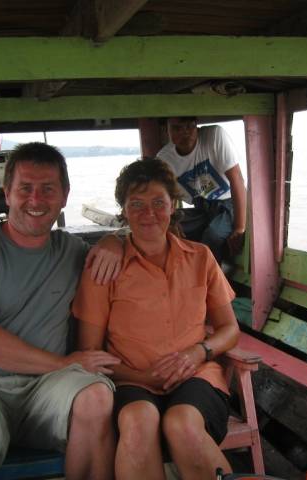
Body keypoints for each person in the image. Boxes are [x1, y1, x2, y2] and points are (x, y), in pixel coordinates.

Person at [0, 142, 123, 480]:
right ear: (7, 193)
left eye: (48, 189)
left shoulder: (70, 250)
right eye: (25, 189)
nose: (36, 200)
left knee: (96, 397)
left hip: (48, 389)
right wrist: (66, 362)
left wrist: (116, 239)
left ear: (64, 195)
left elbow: (132, 244)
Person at [73, 159, 241, 480]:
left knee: (182, 424)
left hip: (197, 376)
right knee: (138, 422)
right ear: (123, 210)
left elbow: (229, 330)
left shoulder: (200, 258)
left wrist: (198, 353)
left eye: (158, 203)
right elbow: (89, 353)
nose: (148, 213)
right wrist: (142, 376)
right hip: (130, 380)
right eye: (136, 204)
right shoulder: (104, 269)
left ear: (173, 205)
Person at [156, 117, 247, 261]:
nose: (185, 133)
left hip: (229, 204)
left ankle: (212, 278)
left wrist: (239, 228)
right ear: (166, 130)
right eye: (177, 128)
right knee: (165, 229)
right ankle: (179, 273)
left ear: (197, 126)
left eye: (189, 126)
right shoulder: (164, 159)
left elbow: (237, 180)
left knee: (213, 235)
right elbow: (168, 195)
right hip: (202, 206)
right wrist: (171, 223)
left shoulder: (214, 136)